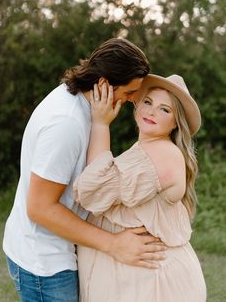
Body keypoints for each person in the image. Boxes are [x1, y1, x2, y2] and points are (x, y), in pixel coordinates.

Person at [3, 38, 166, 302]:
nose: (132, 100)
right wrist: (114, 244)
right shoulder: (66, 124)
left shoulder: (82, 105)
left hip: (59, 250)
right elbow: (40, 207)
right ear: (103, 84)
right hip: (45, 264)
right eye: (128, 93)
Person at [73, 74, 207, 302]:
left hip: (154, 284)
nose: (152, 111)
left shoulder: (163, 153)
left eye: (165, 109)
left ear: (176, 122)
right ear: (137, 105)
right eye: (148, 102)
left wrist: (100, 124)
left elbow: (92, 191)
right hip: (134, 281)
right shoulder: (142, 150)